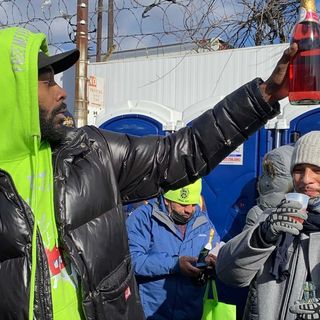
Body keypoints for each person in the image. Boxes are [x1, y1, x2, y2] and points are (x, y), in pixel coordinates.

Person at [0, 26, 297, 320]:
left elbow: (181, 153)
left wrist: (266, 94)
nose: (61, 91)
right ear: (9, 90)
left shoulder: (90, 153)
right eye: (46, 82)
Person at [216, 131, 320, 320]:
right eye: (298, 170)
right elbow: (228, 273)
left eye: (317, 170)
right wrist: (261, 237)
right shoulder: (270, 218)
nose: (306, 179)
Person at [126, 180, 219, 319]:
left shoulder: (203, 221)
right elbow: (132, 260)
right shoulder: (144, 218)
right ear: (167, 199)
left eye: (193, 204)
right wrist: (175, 264)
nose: (189, 210)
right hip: (151, 312)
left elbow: (214, 247)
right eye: (183, 204)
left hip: (190, 312)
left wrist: (212, 264)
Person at [244, 144, 294, 229]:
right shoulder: (306, 210)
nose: (261, 178)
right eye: (265, 173)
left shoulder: (257, 213)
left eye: (269, 173)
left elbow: (245, 241)